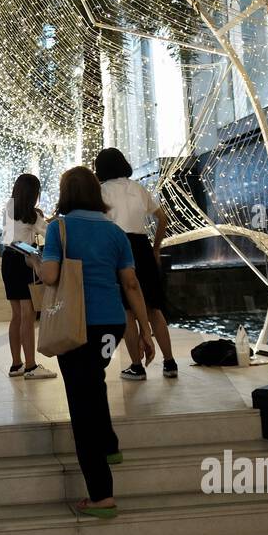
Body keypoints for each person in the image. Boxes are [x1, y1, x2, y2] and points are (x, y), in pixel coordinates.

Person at [35, 166, 154, 517]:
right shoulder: (116, 233)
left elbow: (51, 274)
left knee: (81, 404)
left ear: (66, 194)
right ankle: (110, 444)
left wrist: (37, 260)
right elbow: (131, 284)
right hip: (112, 324)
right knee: (94, 380)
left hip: (75, 324)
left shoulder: (60, 227)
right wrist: (145, 331)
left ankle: (102, 495)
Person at [94, 147, 178, 380]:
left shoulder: (102, 191)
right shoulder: (139, 188)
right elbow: (162, 218)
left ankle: (136, 366)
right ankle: (170, 363)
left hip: (117, 249)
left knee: (127, 310)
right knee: (153, 308)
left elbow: (101, 226)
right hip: (142, 246)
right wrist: (156, 247)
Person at [1, 174, 55, 379]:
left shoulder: (9, 208)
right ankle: (31, 366)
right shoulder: (32, 215)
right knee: (28, 315)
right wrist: (33, 253)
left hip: (8, 261)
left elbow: (10, 240)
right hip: (24, 262)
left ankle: (16, 364)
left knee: (16, 315)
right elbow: (49, 234)